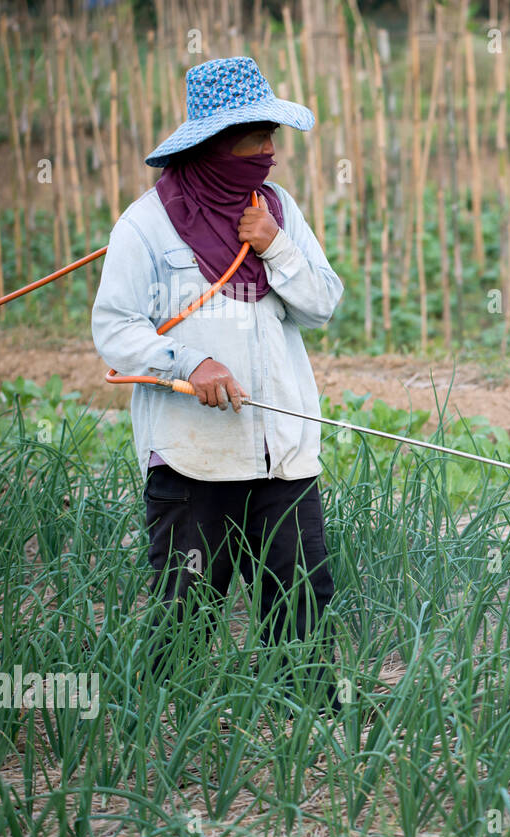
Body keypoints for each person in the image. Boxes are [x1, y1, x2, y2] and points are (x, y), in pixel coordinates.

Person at [91, 56, 343, 704]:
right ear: (213, 145)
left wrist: (275, 246)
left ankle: (307, 718)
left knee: (301, 592)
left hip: (283, 444)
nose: (270, 154)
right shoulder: (145, 224)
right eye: (256, 138)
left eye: (271, 136)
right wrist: (189, 363)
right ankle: (153, 724)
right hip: (193, 455)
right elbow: (115, 329)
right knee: (187, 604)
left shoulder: (276, 208)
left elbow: (322, 304)